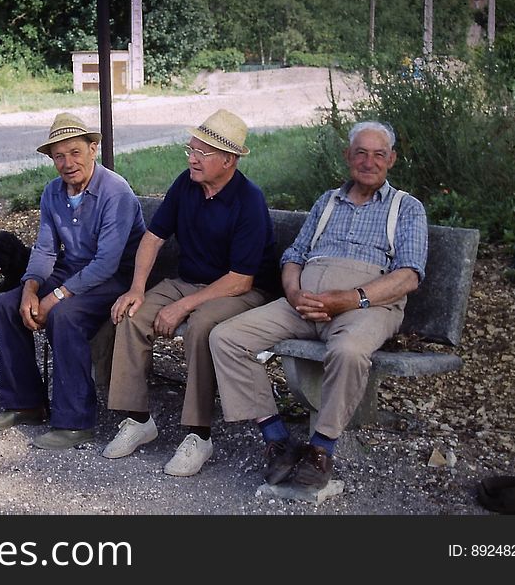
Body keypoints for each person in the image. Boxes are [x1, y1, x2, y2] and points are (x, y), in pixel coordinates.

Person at [209, 121, 428, 490]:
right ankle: (276, 439)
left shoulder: (406, 208)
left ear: (391, 159)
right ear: (348, 157)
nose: (368, 162)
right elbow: (294, 255)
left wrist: (350, 298)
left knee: (348, 351)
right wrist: (294, 294)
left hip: (366, 307)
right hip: (304, 303)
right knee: (226, 337)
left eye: (378, 154)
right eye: (360, 153)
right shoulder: (327, 202)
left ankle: (321, 449)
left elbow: (408, 275)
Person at [104, 109, 275, 477]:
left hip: (239, 291)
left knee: (201, 327)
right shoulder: (186, 184)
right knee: (132, 314)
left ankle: (199, 435)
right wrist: (136, 288)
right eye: (190, 149)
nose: (192, 158)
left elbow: (241, 280)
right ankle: (138, 420)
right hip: (189, 283)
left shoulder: (249, 201)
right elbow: (152, 238)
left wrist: (183, 305)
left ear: (228, 160)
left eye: (203, 152)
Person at [0, 113, 145, 450]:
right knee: (6, 304)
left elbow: (106, 263)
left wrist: (53, 297)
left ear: (93, 149)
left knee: (64, 314)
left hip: (115, 278)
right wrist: (29, 289)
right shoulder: (53, 192)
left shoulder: (116, 192)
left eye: (75, 152)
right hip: (72, 270)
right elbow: (44, 249)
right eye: (59, 156)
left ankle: (75, 422)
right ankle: (25, 403)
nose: (68, 163)